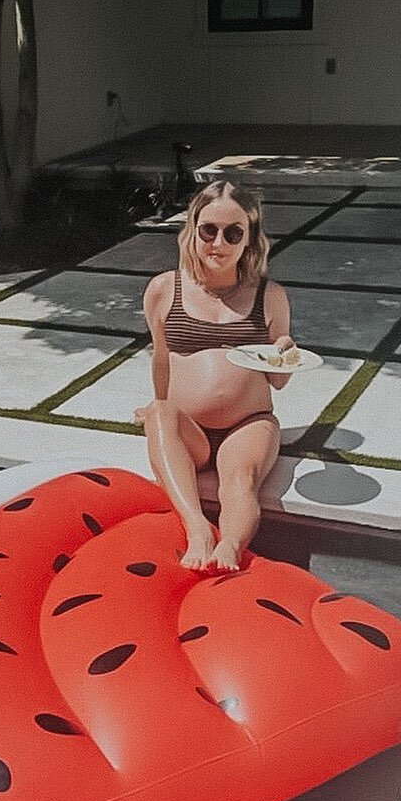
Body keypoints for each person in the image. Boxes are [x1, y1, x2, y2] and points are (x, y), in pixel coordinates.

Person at [135, 180, 295, 572]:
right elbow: (161, 358)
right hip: (193, 433)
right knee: (158, 413)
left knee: (239, 480)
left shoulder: (269, 296)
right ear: (193, 230)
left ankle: (231, 548)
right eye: (209, 230)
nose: (218, 243)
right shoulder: (163, 290)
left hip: (248, 424)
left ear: (249, 240)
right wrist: (162, 416)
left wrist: (285, 356)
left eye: (232, 233)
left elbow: (278, 381)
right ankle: (198, 530)